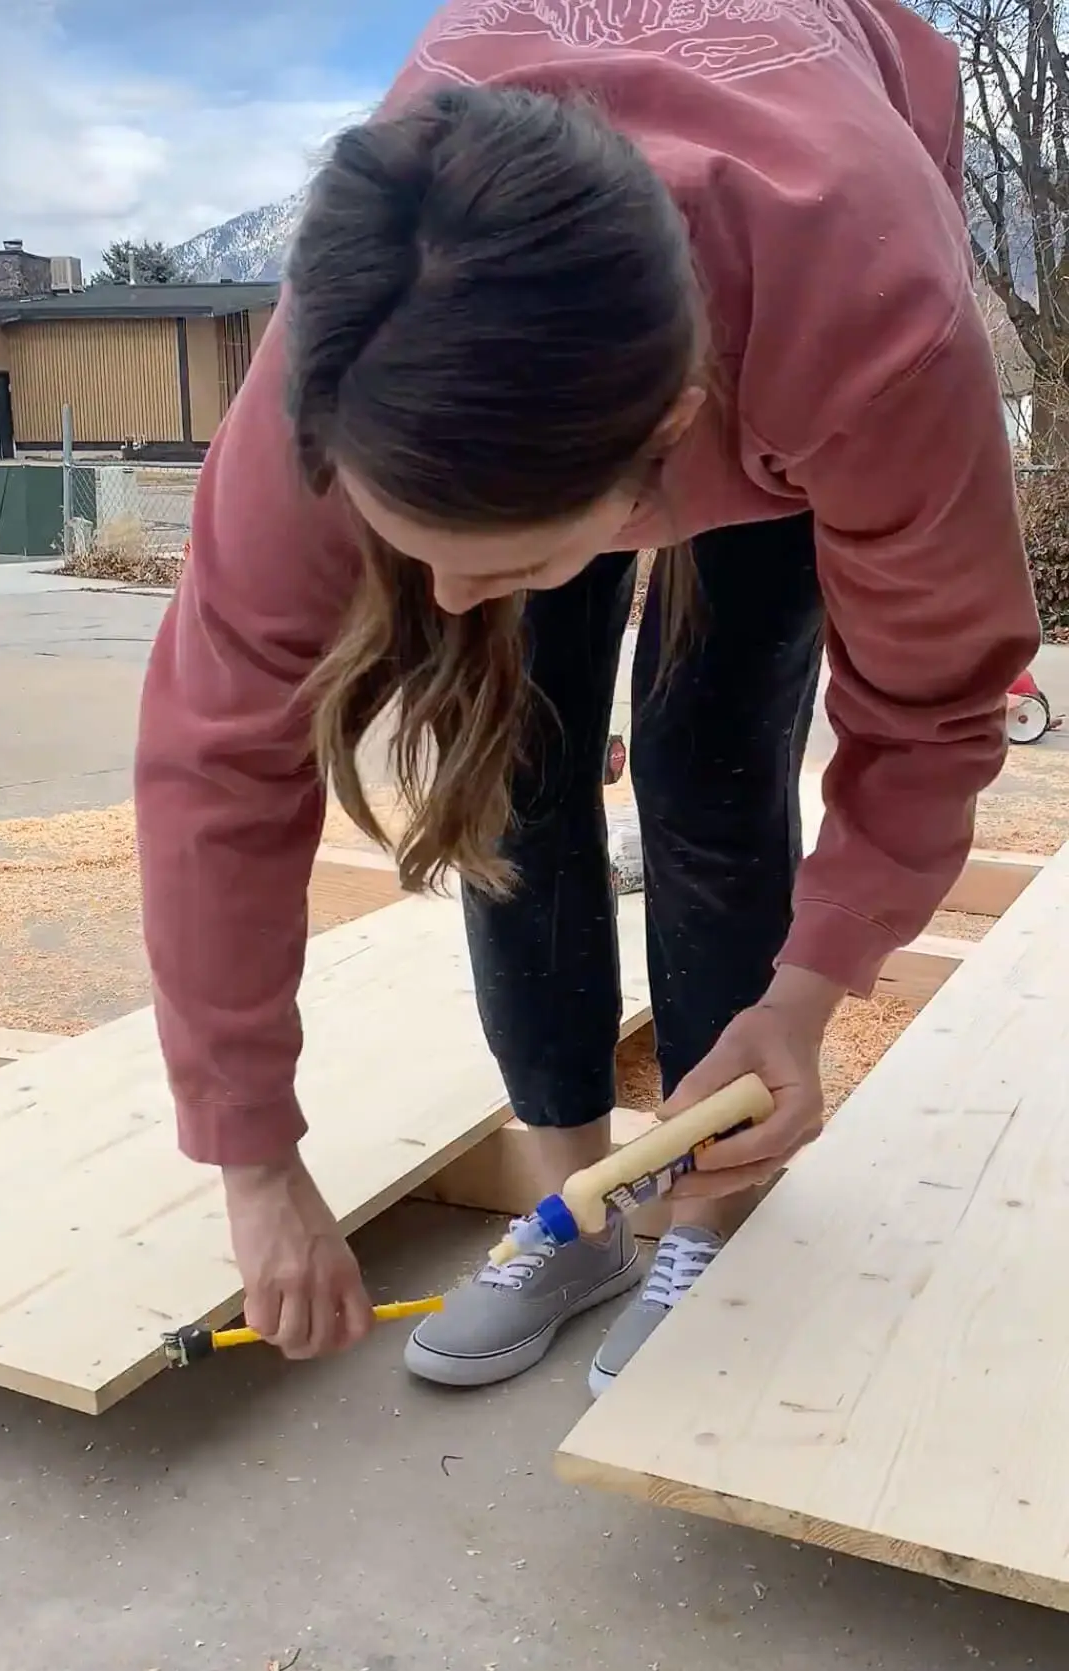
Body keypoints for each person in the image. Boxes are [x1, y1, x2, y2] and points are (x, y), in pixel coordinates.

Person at [135, 0, 1040, 1398]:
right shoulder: (344, 345)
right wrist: (252, 1159)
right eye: (412, 548)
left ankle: (703, 1210)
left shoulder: (870, 331)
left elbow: (931, 711)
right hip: (545, 324)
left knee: (713, 756)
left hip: (777, 306)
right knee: (512, 758)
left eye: (495, 564)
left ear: (670, 443)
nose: (444, 602)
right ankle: (571, 1208)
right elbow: (216, 746)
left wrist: (803, 1004)